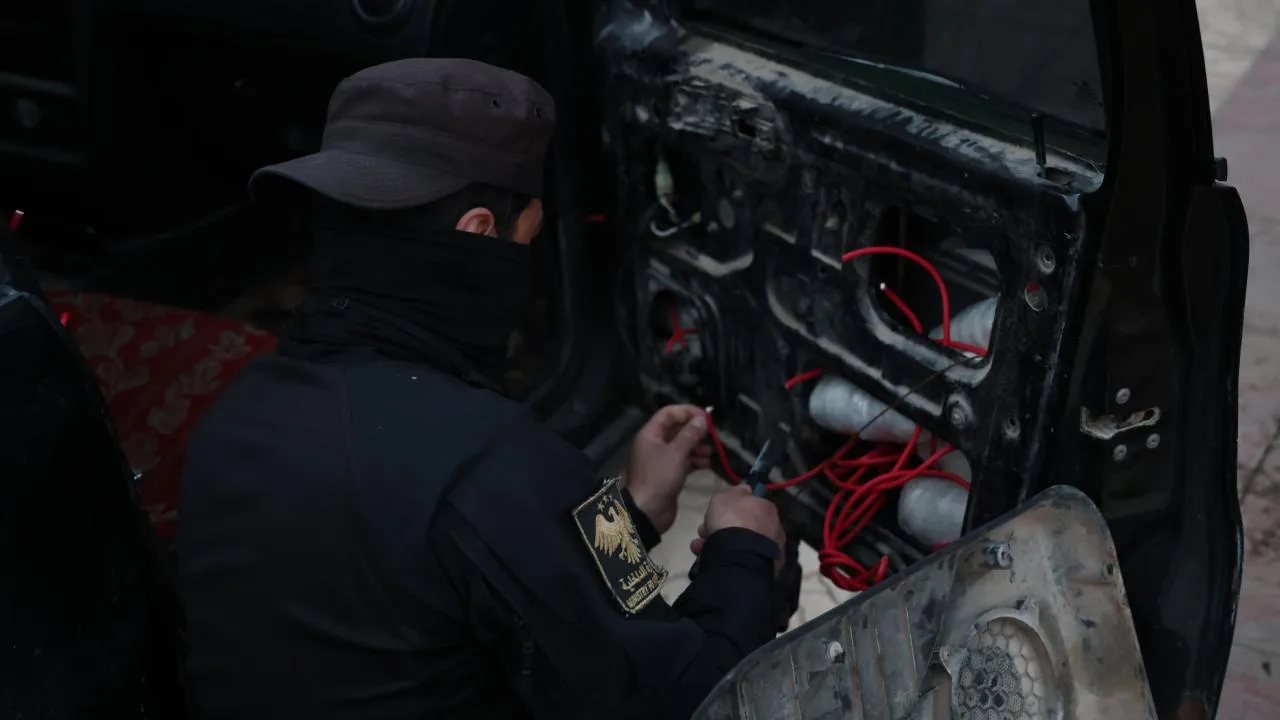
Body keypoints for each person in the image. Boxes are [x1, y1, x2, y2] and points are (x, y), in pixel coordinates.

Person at [177, 58, 786, 720]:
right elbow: (688, 700)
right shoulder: (493, 465)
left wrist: (625, 516)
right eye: (528, 235)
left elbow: (469, 573)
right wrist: (744, 552)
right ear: (479, 234)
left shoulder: (238, 411)